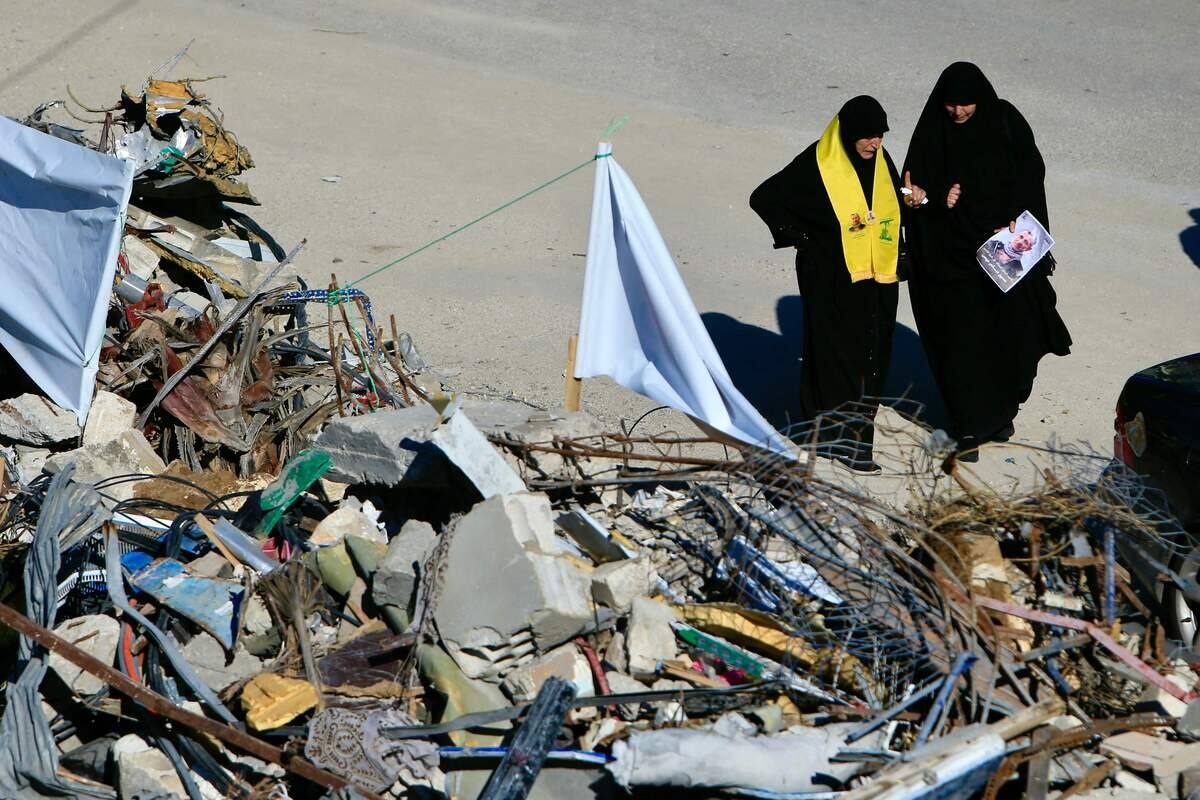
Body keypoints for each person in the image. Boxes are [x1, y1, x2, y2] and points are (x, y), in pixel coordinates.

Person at [903, 62, 1071, 460]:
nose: (958, 111)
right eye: (951, 103)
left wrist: (1017, 211)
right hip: (951, 264)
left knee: (1010, 337)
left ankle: (999, 415)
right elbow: (912, 191)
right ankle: (970, 429)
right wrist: (932, 198)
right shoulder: (933, 132)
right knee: (962, 346)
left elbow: (1030, 170)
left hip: (1002, 257)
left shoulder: (1004, 121)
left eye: (966, 103)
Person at [750, 95, 911, 473]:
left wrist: (911, 211)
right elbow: (765, 198)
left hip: (878, 277)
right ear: (849, 133)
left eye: (880, 136)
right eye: (867, 136)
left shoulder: (881, 161)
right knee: (836, 354)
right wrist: (805, 238)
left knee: (873, 354)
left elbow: (889, 211)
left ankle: (847, 432)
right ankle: (849, 441)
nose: (875, 144)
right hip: (831, 279)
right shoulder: (818, 162)